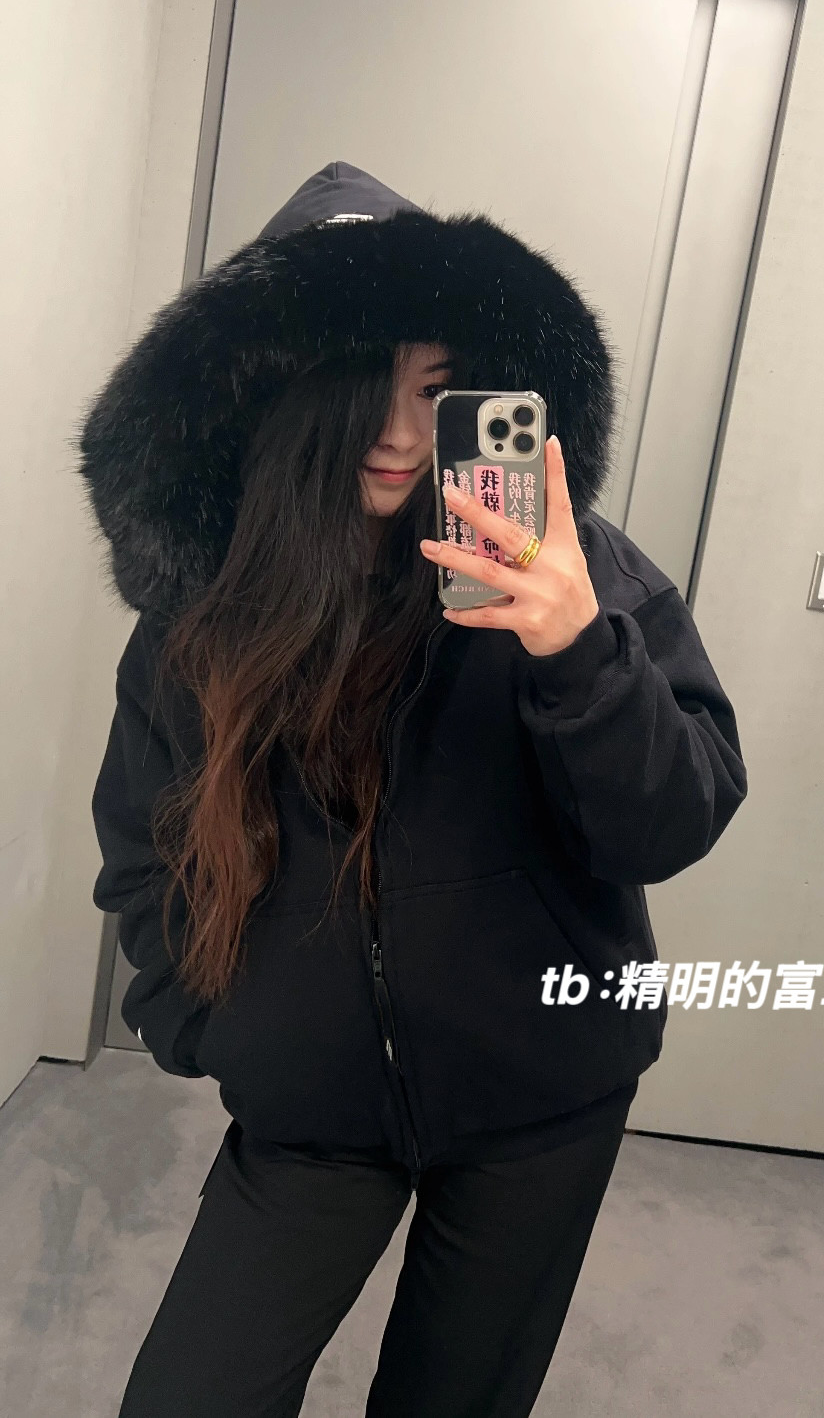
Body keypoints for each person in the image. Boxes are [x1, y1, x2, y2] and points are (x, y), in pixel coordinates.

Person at [78, 162, 748, 1418]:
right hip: (313, 1109)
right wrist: (223, 1032)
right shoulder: (201, 617)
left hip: (542, 1095)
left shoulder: (570, 569)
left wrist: (576, 651)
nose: (396, 433)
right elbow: (142, 853)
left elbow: (675, 816)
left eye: (435, 390)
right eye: (361, 386)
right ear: (284, 394)